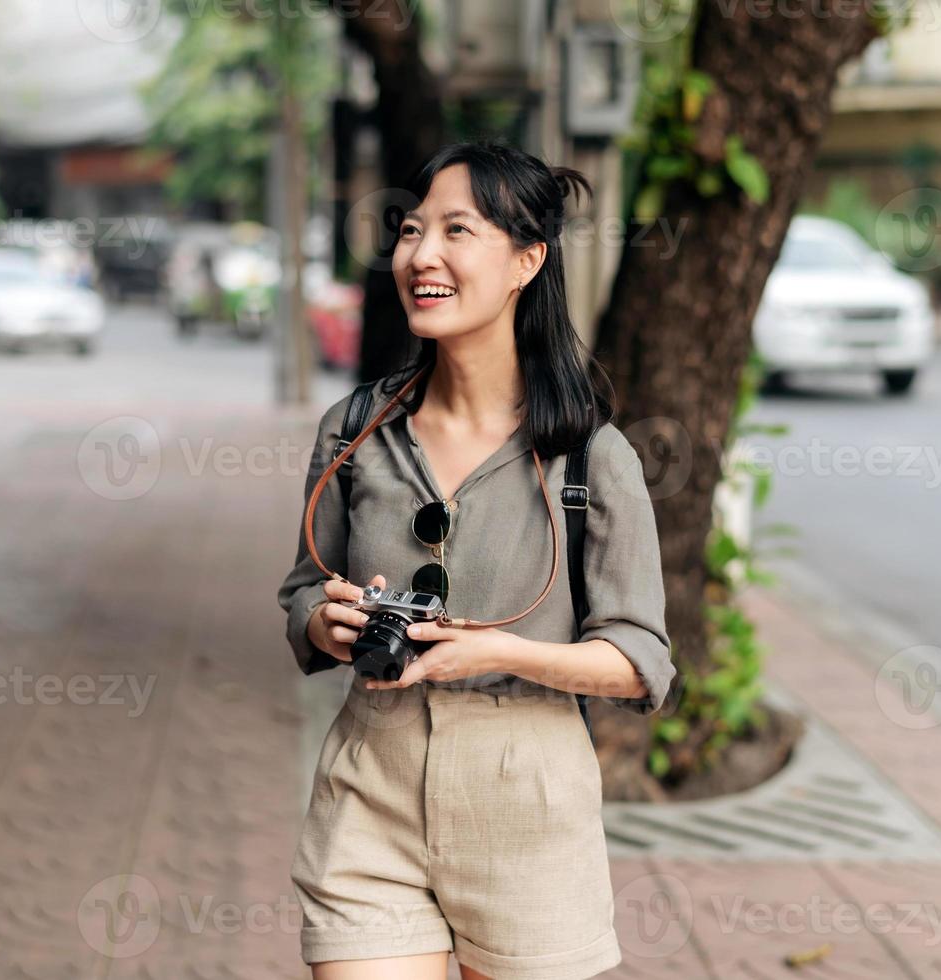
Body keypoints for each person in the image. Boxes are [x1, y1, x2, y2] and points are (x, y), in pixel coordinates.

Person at [276, 140, 676, 980]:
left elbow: (640, 661)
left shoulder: (590, 456)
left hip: (526, 796)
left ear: (527, 260)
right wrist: (328, 618)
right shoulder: (356, 430)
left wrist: (497, 651)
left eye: (458, 231)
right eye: (412, 230)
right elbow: (305, 585)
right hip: (370, 784)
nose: (422, 255)